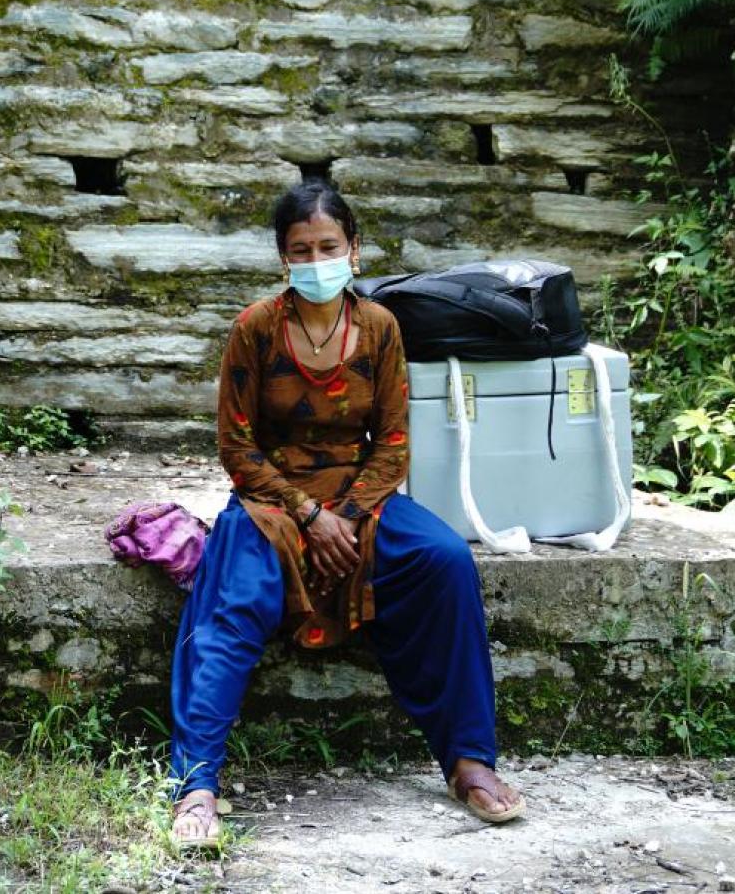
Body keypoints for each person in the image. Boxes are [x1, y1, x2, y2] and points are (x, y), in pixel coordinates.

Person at [167, 178, 525, 849]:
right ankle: (197, 782)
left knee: (444, 559)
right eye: (300, 249)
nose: (315, 259)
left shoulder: (381, 328)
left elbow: (392, 444)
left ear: (355, 251)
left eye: (328, 245)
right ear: (282, 258)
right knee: (234, 594)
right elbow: (236, 446)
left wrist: (351, 514)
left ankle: (468, 757)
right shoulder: (256, 328)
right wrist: (308, 513)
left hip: (362, 497)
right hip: (275, 498)